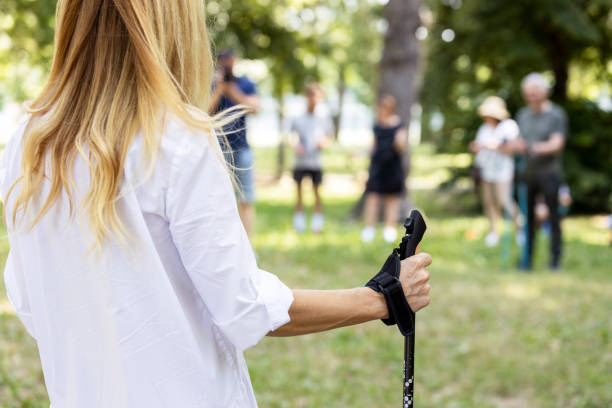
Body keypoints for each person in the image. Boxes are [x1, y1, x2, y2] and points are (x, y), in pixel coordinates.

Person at [0, 2, 432, 408]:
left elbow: (29, 300)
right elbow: (243, 306)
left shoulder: (26, 145)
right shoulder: (172, 140)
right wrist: (383, 297)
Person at [511, 72, 569, 270]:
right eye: (528, 93)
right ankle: (527, 260)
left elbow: (556, 144)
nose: (531, 96)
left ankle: (555, 260)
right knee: (528, 220)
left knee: (554, 217)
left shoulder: (556, 114)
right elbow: (519, 141)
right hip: (528, 175)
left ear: (545, 92)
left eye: (535, 92)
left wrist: (532, 147)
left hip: (549, 174)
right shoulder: (522, 115)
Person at [208, 48, 260, 237]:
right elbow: (202, 113)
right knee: (219, 200)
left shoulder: (245, 84)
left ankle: (248, 245)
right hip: (217, 150)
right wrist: (218, 90)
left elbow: (255, 107)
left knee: (246, 199)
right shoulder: (212, 84)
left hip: (241, 149)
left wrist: (232, 91)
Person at [469, 96, 519, 247]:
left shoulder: (509, 126)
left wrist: (493, 145)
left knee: (504, 201)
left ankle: (520, 229)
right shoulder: (483, 128)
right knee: (489, 202)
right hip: (486, 170)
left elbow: (512, 145)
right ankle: (493, 232)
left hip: (503, 170)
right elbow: (479, 146)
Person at [361, 94, 409, 243]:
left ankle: (390, 229)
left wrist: (400, 143)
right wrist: (360, 153)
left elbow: (401, 147)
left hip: (392, 167)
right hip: (377, 166)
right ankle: (369, 228)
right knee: (373, 197)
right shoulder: (377, 126)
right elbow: (373, 147)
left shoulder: (399, 126)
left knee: (391, 199)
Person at [290, 83, 334, 233]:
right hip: (300, 162)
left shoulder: (324, 117)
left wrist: (323, 143)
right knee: (299, 192)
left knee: (316, 193)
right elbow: (290, 136)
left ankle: (317, 224)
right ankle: (299, 223)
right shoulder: (298, 116)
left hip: (316, 162)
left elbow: (329, 138)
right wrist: (296, 145)